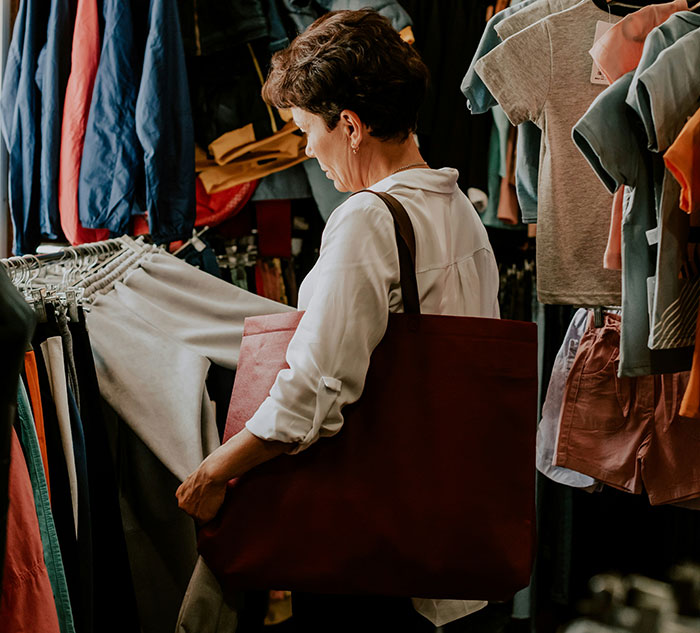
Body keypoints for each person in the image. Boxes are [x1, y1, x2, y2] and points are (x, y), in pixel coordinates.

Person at [176, 8, 500, 629]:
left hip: (374, 553)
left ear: (349, 125)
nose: (306, 150)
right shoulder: (457, 203)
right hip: (446, 534)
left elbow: (314, 393)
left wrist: (213, 473)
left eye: (306, 130)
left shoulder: (367, 219)